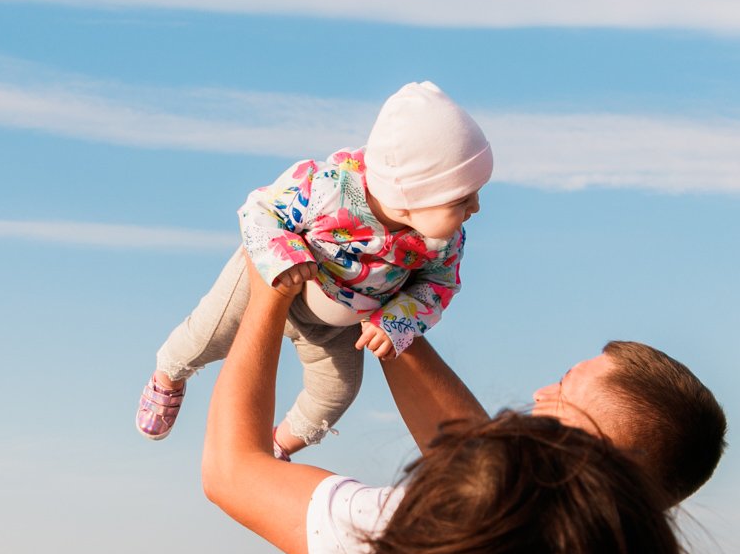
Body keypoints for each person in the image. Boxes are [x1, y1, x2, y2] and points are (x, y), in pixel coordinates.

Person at [201, 259, 740, 554]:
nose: (542, 393)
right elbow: (479, 466)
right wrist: (385, 303)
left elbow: (232, 471)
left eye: (564, 389)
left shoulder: (447, 550)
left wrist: (267, 285)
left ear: (590, 452)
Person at [137, 81, 494, 459]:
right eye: (462, 199)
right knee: (206, 334)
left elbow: (439, 286)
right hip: (274, 279)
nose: (476, 208)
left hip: (334, 326)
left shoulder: (443, 241)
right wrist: (284, 258)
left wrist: (398, 321)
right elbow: (260, 210)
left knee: (338, 391)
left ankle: (279, 446)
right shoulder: (328, 189)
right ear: (409, 198)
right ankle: (168, 375)